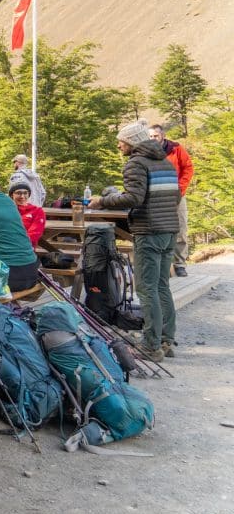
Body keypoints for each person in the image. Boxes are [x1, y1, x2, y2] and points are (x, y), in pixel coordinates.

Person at [89, 121, 180, 361]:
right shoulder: (166, 163)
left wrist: (102, 201)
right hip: (169, 230)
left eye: (122, 141)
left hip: (149, 231)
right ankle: (165, 340)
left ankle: (150, 346)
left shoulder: (136, 163)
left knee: (146, 288)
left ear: (132, 142)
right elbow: (176, 196)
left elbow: (134, 198)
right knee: (161, 286)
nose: (119, 145)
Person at [149, 124, 193, 277]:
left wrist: (180, 189)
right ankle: (162, 264)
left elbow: (188, 168)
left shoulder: (176, 149)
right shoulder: (146, 151)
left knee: (180, 227)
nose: (153, 138)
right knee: (159, 228)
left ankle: (180, 264)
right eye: (150, 136)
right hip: (156, 196)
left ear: (163, 135)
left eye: (155, 135)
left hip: (177, 194)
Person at [8, 181, 45, 250]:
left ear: (29, 194)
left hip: (25, 250)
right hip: (5, 247)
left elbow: (35, 233)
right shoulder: (7, 210)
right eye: (18, 193)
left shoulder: (37, 211)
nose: (22, 196)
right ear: (12, 195)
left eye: (25, 193)